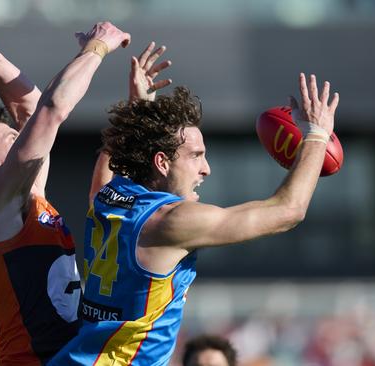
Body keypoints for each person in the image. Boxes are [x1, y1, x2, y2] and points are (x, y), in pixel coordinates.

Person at [49, 73, 340, 365]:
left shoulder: (109, 197)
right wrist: (317, 134)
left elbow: (101, 182)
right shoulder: (170, 222)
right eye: (196, 156)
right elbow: (287, 211)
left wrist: (138, 111)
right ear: (162, 162)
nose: (206, 169)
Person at [0, 17, 131, 365]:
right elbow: (50, 111)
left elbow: (34, 108)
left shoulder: (27, 193)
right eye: (12, 136)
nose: (23, 136)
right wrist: (97, 48)